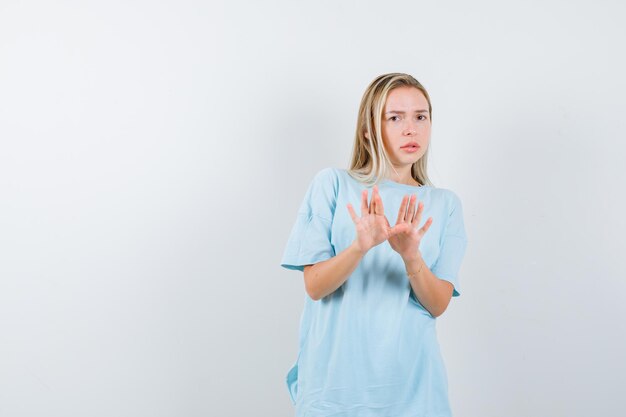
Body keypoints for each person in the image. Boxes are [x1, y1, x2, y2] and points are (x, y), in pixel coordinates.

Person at [280, 73, 468, 416]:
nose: (411, 129)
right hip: (334, 390)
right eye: (395, 117)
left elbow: (438, 303)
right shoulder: (332, 185)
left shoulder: (446, 205)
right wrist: (359, 247)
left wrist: (411, 257)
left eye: (420, 117)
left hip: (414, 391)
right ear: (368, 129)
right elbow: (315, 286)